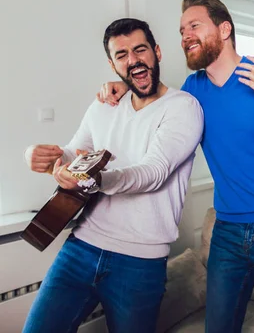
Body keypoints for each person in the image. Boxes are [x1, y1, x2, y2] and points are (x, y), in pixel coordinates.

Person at [96, 0, 254, 333]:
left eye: (194, 25)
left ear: (224, 29)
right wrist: (124, 84)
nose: (185, 35)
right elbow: (156, 102)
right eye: (181, 30)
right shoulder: (193, 91)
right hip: (227, 233)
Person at [22, 18, 204, 333]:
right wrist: (42, 157)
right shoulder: (104, 106)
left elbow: (154, 172)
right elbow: (73, 153)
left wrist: (99, 179)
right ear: (112, 64)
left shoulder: (183, 107)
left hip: (139, 262)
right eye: (122, 55)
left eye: (140, 50)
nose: (132, 60)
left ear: (157, 52)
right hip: (80, 247)